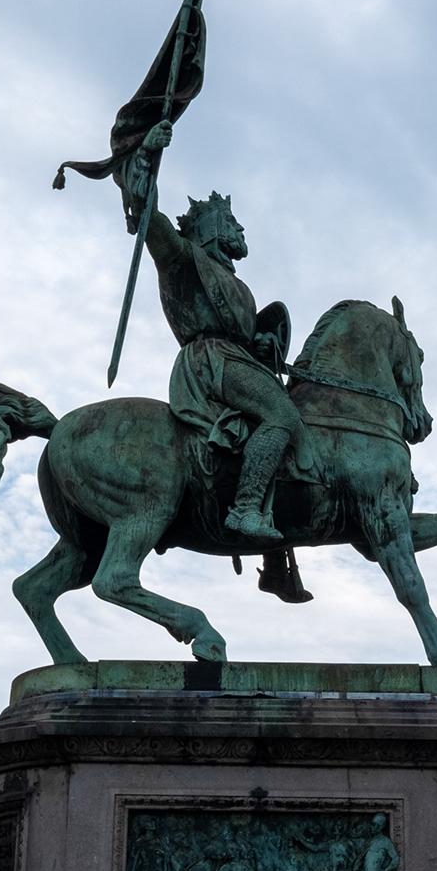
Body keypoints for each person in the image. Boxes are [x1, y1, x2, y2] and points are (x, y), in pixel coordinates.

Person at [112, 120, 315, 549]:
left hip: (235, 359)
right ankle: (244, 508)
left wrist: (262, 345)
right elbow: (150, 216)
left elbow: (245, 331)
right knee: (282, 416)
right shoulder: (182, 258)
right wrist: (145, 155)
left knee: (283, 420)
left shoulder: (233, 281)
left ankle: (278, 559)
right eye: (232, 223)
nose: (240, 231)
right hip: (210, 363)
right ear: (211, 228)